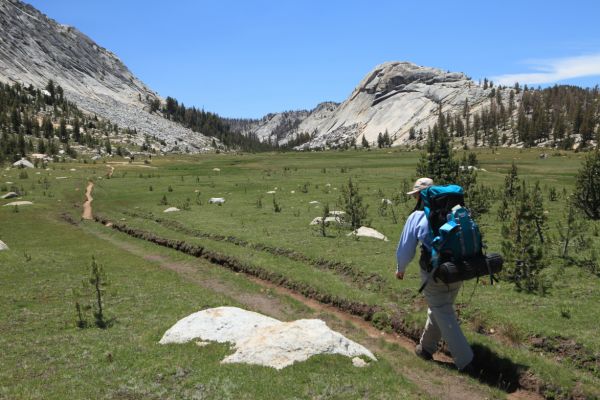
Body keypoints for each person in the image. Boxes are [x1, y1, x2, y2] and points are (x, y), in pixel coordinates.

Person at [395, 177, 474, 371]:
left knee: (442, 310)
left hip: (435, 272)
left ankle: (467, 360)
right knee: (440, 308)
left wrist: (401, 268)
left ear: (420, 196)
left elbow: (406, 247)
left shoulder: (417, 216)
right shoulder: (455, 211)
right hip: (459, 269)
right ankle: (426, 349)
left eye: (415, 196)